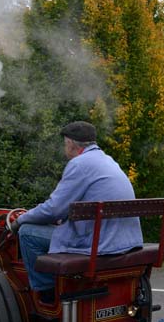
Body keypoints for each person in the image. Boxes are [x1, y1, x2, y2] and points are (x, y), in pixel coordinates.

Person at [13, 121, 143, 304]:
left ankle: (47, 294)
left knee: (26, 233)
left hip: (102, 243)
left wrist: (20, 220)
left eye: (65, 143)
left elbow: (53, 209)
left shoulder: (79, 164)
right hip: (126, 240)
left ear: (71, 144)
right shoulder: (108, 160)